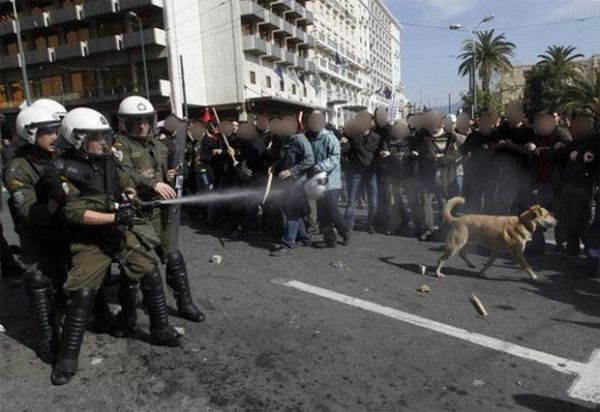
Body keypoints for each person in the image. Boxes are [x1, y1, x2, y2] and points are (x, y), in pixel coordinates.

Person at [50, 107, 181, 385]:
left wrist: (129, 194)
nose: (104, 141)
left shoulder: (108, 158)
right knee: (82, 293)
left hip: (117, 230)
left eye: (104, 135)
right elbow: (73, 213)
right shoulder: (60, 170)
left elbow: (123, 179)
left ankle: (161, 328)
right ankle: (67, 357)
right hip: (88, 239)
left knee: (148, 268)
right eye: (96, 137)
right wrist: (114, 216)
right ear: (77, 139)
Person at [113, 96, 204, 325]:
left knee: (173, 256)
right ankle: (128, 313)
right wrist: (152, 184)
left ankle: (185, 303)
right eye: (135, 121)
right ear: (124, 123)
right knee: (137, 265)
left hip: (161, 211)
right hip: (136, 212)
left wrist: (170, 177)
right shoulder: (119, 146)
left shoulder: (159, 145)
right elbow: (122, 174)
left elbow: (164, 174)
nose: (142, 125)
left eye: (145, 120)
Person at [2, 105, 66, 363]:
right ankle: (46, 340)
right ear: (30, 134)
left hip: (63, 226)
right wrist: (52, 204)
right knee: (38, 280)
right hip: (36, 232)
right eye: (47, 132)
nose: (54, 136)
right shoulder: (17, 168)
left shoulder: (58, 156)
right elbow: (27, 210)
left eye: (56, 130)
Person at [270, 115, 315, 256]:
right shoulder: (287, 139)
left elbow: (310, 159)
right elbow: (285, 158)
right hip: (288, 184)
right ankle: (305, 238)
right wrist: (275, 165)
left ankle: (288, 244)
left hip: (296, 184)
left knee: (291, 214)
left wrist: (291, 171)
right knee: (295, 213)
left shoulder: (300, 139)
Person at [555, 111, 597, 257]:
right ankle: (572, 248)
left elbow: (591, 158)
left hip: (584, 184)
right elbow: (564, 154)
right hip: (569, 182)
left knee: (581, 220)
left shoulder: (594, 140)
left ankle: (589, 249)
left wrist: (578, 156)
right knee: (568, 218)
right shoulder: (574, 141)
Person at [306, 111, 350, 247]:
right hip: (318, 182)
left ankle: (345, 231)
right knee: (322, 212)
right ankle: (329, 239)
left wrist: (321, 166)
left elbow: (334, 158)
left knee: (332, 210)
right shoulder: (311, 138)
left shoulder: (330, 138)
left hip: (331, 182)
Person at [528, 111, 567, 253]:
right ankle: (538, 243)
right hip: (540, 181)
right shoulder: (537, 136)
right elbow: (531, 151)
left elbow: (561, 152)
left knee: (558, 214)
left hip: (556, 182)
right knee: (537, 214)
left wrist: (542, 150)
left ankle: (561, 244)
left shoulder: (562, 135)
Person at [342, 111, 381, 233]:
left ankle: (370, 225)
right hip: (355, 172)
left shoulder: (377, 138)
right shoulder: (351, 136)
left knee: (373, 203)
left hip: (370, 172)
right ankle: (348, 228)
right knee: (351, 201)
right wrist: (345, 143)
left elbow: (372, 155)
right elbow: (345, 150)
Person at [493, 100, 535, 214]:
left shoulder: (528, 130)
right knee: (502, 202)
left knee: (521, 203)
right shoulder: (503, 128)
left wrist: (512, 146)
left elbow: (529, 151)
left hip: (522, 171)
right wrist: (498, 145)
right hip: (505, 172)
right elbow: (493, 146)